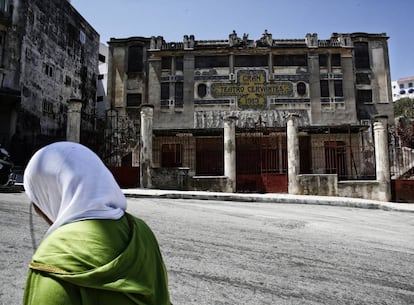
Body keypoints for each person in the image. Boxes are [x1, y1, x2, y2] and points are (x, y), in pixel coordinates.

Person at [23, 141, 172, 305]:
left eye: (36, 198)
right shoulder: (141, 231)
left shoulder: (54, 257)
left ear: (49, 192)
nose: (37, 210)